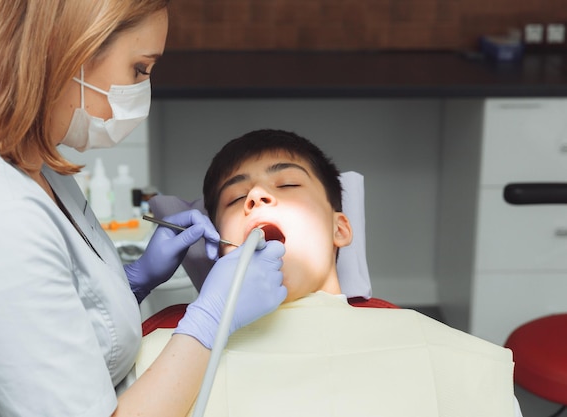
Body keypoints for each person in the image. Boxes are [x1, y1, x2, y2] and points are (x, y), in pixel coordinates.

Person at [0, 2, 286, 417]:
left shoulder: (31, 159)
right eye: (139, 69)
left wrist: (131, 282)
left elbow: (41, 314)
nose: (143, 90)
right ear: (67, 50)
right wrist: (211, 320)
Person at [137, 129, 524, 416]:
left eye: (286, 183)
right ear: (220, 246)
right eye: (237, 198)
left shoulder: (455, 360)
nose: (256, 196)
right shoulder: (161, 354)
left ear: (340, 228)